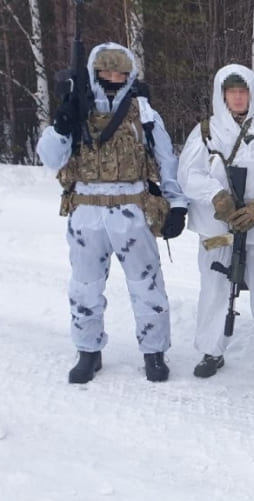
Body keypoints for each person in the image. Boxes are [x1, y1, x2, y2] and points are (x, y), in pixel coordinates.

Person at [36, 42, 187, 384]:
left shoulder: (142, 112)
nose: (113, 78)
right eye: (106, 72)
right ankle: (88, 351)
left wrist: (176, 203)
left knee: (146, 284)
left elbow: (166, 159)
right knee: (85, 286)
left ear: (129, 75)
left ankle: (154, 352)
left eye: (120, 73)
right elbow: (50, 159)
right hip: (86, 211)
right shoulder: (77, 108)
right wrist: (61, 124)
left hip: (131, 209)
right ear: (95, 73)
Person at [178, 64, 254, 380]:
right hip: (217, 228)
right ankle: (211, 348)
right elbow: (189, 174)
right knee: (214, 285)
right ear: (222, 95)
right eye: (232, 92)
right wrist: (216, 196)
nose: (238, 97)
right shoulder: (205, 132)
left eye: (243, 91)